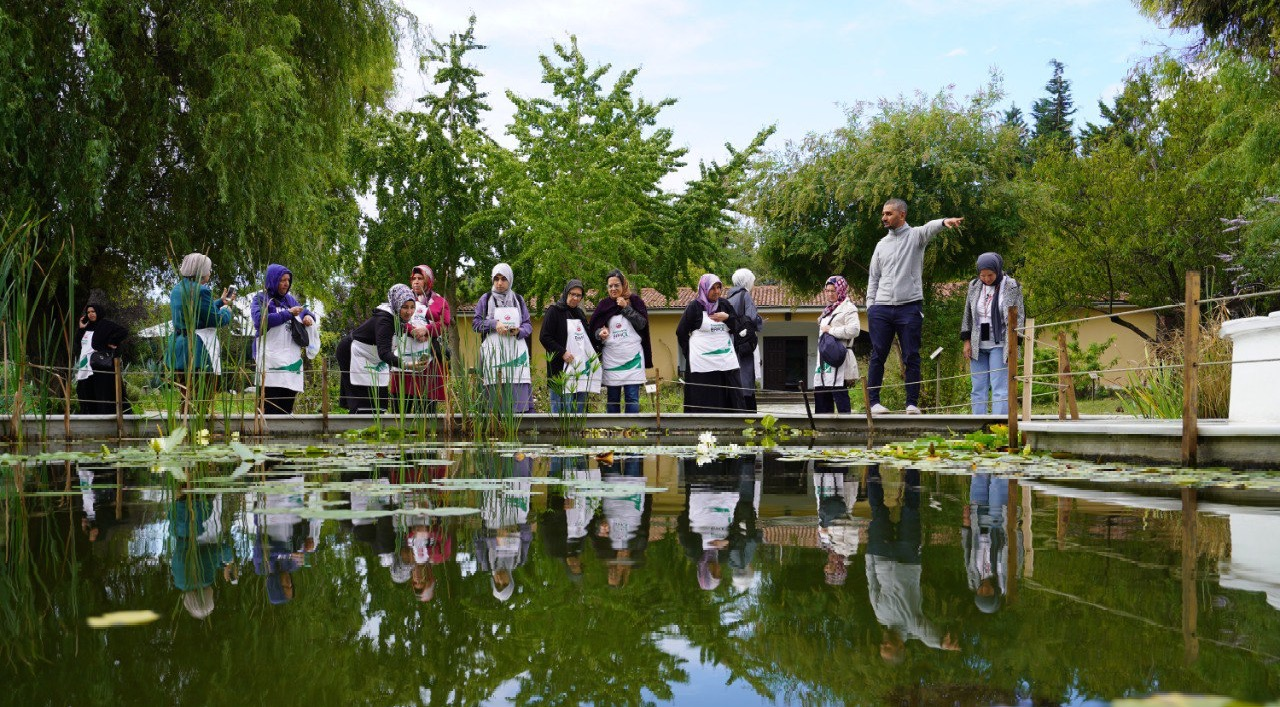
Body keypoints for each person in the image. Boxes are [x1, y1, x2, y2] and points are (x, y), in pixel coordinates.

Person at [866, 199, 964, 415]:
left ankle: (911, 403)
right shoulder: (881, 245)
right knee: (877, 355)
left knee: (911, 355)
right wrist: (870, 306)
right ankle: (873, 403)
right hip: (881, 308)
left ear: (902, 215)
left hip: (909, 307)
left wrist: (944, 221)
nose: (884, 218)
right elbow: (873, 277)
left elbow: (929, 227)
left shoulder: (915, 236)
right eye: (883, 213)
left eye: (889, 214)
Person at [866, 466, 960, 660]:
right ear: (901, 647)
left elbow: (872, 583)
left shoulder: (879, 616)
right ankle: (912, 467)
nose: (884, 643)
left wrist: (869, 555)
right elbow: (925, 633)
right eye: (888, 647)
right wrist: (940, 643)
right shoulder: (911, 624)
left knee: (877, 509)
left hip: (880, 555)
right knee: (910, 509)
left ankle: (872, 466)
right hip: (908, 558)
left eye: (882, 646)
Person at [337, 284, 418, 413]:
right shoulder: (384, 321)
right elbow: (384, 353)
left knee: (380, 403)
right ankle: (359, 426)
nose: (409, 312)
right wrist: (408, 365)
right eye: (405, 307)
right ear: (397, 305)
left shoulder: (399, 319)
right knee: (363, 403)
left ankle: (373, 428)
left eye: (412, 307)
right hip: (355, 352)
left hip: (374, 357)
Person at [961, 252, 1025, 415]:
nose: (987, 279)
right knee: (978, 387)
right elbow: (968, 314)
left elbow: (1020, 315)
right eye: (983, 275)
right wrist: (966, 341)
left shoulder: (1011, 285)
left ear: (998, 270)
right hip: (978, 343)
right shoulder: (974, 285)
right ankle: (979, 424)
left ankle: (999, 426)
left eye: (990, 275)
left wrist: (1015, 344)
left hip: (1001, 343)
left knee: (999, 388)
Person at [251, 264, 317, 414]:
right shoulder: (261, 298)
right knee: (268, 407)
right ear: (273, 280)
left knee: (286, 407)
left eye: (288, 280)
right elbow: (259, 320)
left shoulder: (290, 300)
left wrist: (308, 316)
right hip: (270, 360)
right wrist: (288, 314)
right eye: (282, 280)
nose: (286, 284)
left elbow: (305, 311)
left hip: (290, 362)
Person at [675, 274, 743, 413]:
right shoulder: (694, 307)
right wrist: (690, 353)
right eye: (712, 288)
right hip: (702, 364)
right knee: (704, 399)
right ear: (704, 289)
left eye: (719, 287)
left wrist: (727, 318)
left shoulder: (725, 305)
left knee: (730, 398)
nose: (717, 291)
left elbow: (739, 328)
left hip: (725, 362)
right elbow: (681, 332)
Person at [165, 253, 235, 386]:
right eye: (209, 269)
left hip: (179, 349)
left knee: (186, 397)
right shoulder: (201, 290)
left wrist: (220, 302)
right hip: (197, 351)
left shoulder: (177, 289)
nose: (209, 272)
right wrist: (227, 311)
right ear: (202, 271)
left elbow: (197, 311)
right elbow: (214, 320)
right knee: (201, 399)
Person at [472, 263, 534, 414]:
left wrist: (518, 330)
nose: (499, 283)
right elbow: (476, 324)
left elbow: (528, 325)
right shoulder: (485, 299)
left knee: (515, 390)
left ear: (510, 280)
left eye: (503, 279)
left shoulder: (518, 300)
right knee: (494, 391)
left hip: (515, 352)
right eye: (496, 279)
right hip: (493, 352)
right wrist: (494, 324)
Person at [588, 269, 652, 414]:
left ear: (623, 285)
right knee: (612, 399)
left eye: (616, 285)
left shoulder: (635, 302)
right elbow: (593, 330)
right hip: (612, 359)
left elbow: (642, 324)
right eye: (610, 286)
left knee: (632, 398)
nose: (613, 289)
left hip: (633, 359)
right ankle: (613, 432)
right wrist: (600, 333)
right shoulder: (603, 305)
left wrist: (626, 307)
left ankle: (632, 433)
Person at [391, 264, 452, 412]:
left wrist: (427, 330)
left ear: (428, 281)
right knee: (400, 407)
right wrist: (412, 330)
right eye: (414, 278)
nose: (416, 282)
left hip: (428, 360)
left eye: (420, 278)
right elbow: (395, 319)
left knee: (425, 407)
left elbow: (444, 323)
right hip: (405, 357)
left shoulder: (439, 302)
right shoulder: (403, 298)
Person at [539, 279, 600, 414]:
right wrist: (562, 352)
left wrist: (599, 335)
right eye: (572, 294)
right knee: (561, 413)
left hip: (579, 371)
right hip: (559, 371)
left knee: (577, 411)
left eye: (578, 295)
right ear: (566, 293)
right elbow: (544, 337)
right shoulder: (554, 311)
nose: (575, 298)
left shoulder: (580, 314)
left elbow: (587, 339)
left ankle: (576, 435)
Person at [963, 474, 1010, 614]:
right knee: (998, 482)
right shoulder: (1004, 576)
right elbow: (1014, 551)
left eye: (981, 593)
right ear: (994, 593)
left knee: (978, 477)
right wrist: (1016, 529)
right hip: (998, 525)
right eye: (987, 593)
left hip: (977, 522)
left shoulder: (972, 576)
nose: (984, 590)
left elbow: (967, 550)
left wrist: (966, 526)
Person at [813, 275, 861, 414]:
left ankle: (845, 430)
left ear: (840, 290)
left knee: (839, 393)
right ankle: (823, 430)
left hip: (839, 356)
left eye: (833, 291)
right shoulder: (828, 310)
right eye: (827, 290)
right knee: (822, 393)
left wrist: (831, 330)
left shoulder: (848, 308)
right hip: (823, 359)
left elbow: (854, 329)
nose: (829, 294)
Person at [75, 302, 131, 414]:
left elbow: (123, 331)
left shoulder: (105, 325)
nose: (91, 314)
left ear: (98, 312)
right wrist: (81, 328)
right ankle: (90, 415)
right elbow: (78, 343)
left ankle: (106, 416)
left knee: (102, 391)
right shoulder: (87, 327)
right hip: (86, 365)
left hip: (100, 365)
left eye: (93, 311)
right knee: (85, 389)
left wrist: (111, 341)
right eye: (88, 312)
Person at [724, 269, 763, 412]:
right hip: (745, 342)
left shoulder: (729, 298)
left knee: (736, 376)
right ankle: (749, 412)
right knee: (746, 376)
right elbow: (752, 318)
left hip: (733, 341)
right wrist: (760, 321)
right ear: (747, 281)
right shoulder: (745, 295)